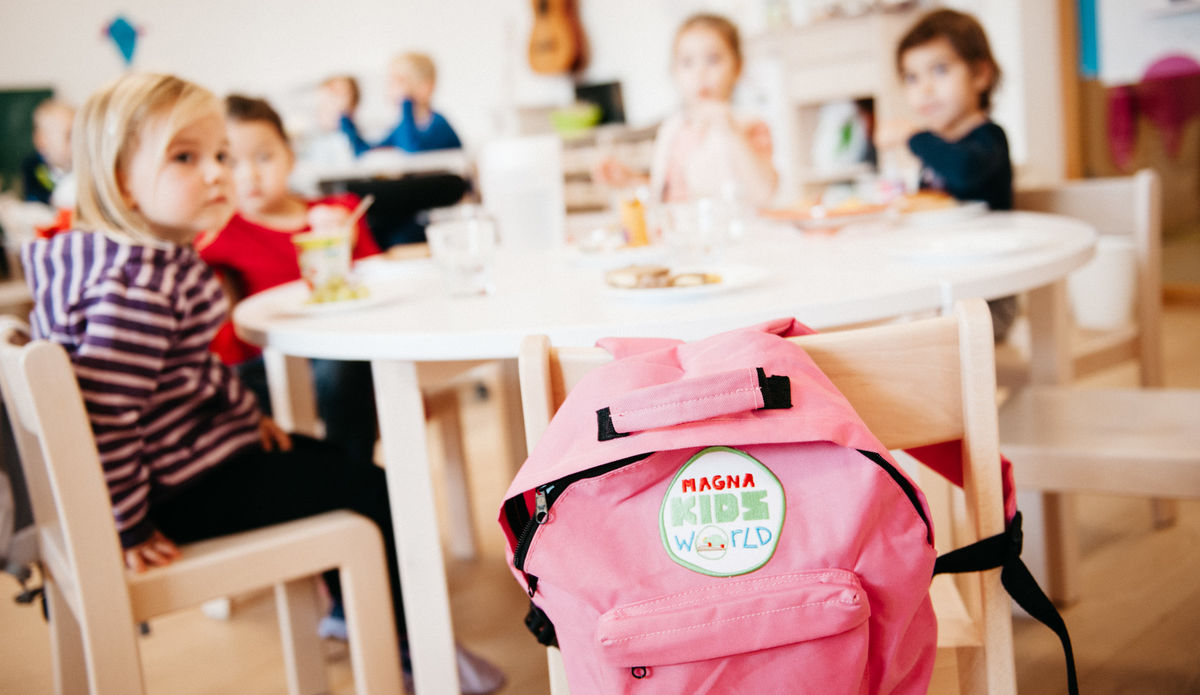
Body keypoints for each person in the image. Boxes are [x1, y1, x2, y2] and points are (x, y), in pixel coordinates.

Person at [21, 73, 503, 694]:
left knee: (342, 469)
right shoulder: (136, 289)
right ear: (122, 183)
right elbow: (105, 416)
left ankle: (366, 618)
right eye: (186, 158)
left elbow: (192, 371)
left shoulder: (132, 259)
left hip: (183, 466)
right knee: (371, 489)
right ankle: (412, 648)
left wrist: (247, 419)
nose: (218, 173)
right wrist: (129, 524)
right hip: (173, 491)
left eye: (220, 154)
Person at [196, 94, 380, 465]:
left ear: (290, 157)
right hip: (268, 366)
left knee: (347, 366)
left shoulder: (340, 213)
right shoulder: (220, 236)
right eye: (230, 161)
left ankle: (351, 471)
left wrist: (347, 241)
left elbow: (379, 281)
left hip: (346, 355)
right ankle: (340, 473)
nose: (249, 175)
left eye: (264, 157)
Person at [875, 8, 1017, 340]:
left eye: (939, 70)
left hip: (987, 302)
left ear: (980, 74)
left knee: (903, 337)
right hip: (941, 286)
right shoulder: (934, 149)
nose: (925, 89)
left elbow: (964, 170)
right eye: (912, 78)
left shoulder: (988, 138)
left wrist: (913, 136)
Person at [594, 14, 777, 207]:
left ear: (738, 67)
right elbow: (670, 195)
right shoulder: (672, 129)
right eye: (687, 62)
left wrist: (731, 130)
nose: (700, 72)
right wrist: (631, 180)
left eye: (713, 59)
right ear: (674, 72)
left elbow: (764, 192)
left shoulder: (749, 125)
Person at [339, 52, 462, 154]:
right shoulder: (401, 128)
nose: (391, 90)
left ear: (426, 87)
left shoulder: (439, 124)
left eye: (399, 82)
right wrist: (346, 117)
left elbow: (413, 150)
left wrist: (406, 102)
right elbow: (365, 151)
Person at [19, 99, 74, 205]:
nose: (75, 143)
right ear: (42, 141)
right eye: (68, 136)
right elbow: (33, 197)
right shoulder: (32, 165)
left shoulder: (81, 166)